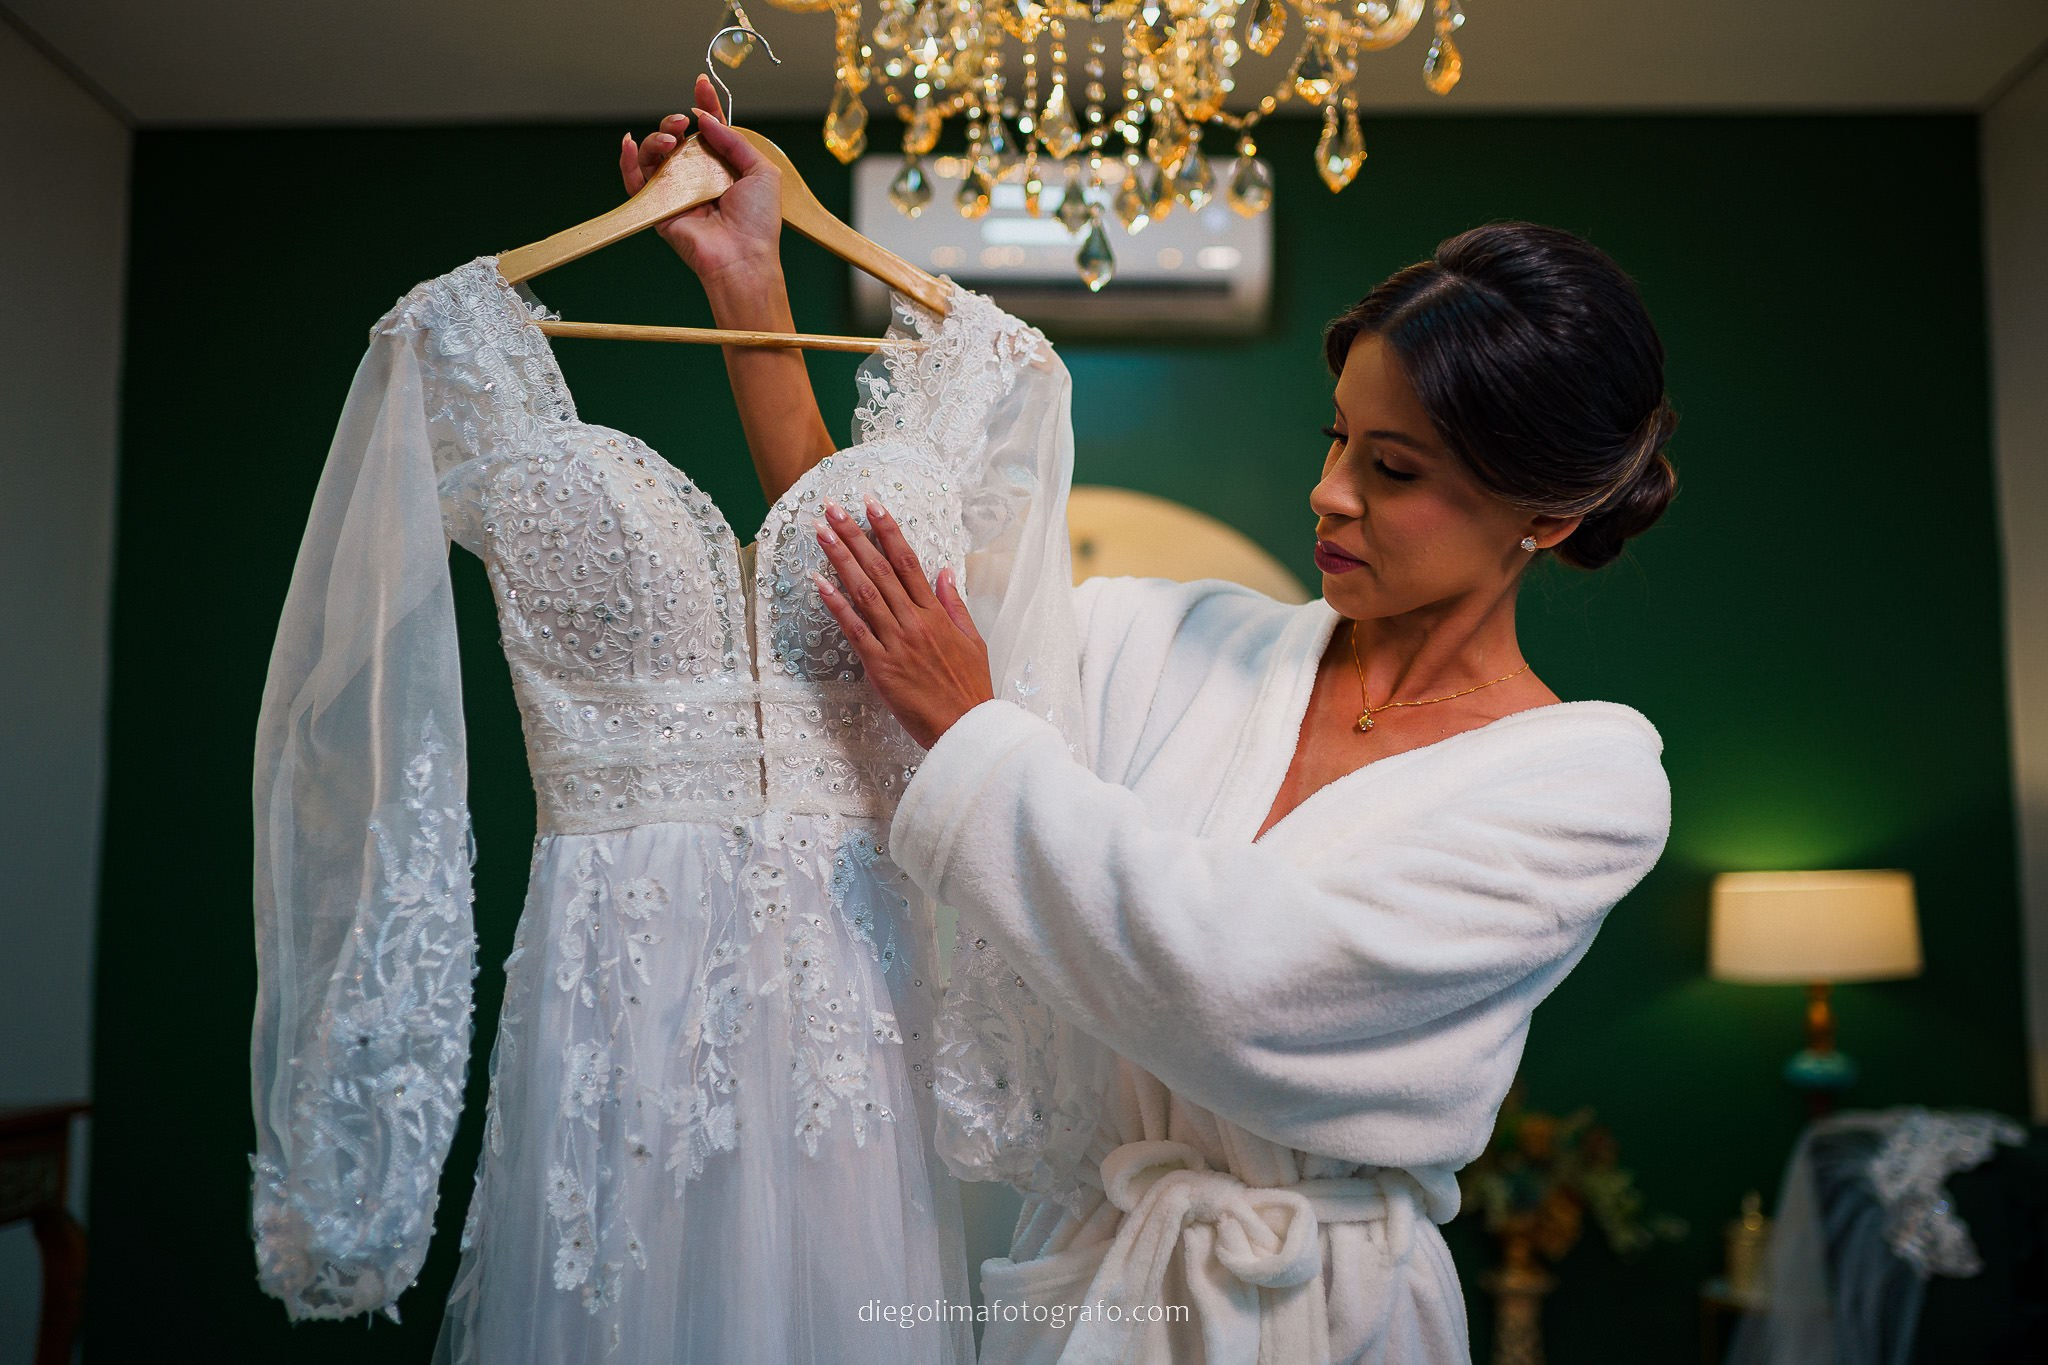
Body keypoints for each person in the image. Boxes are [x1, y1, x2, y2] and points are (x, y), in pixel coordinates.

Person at [626, 79, 1676, 1365]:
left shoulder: (1581, 786)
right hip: (1096, 1288)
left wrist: (977, 737)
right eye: (1337, 438)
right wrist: (750, 289)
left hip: (1324, 1315)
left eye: (1392, 469)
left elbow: (1243, 993)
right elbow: (871, 585)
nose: (1328, 492)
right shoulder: (1170, 642)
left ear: (1547, 517)